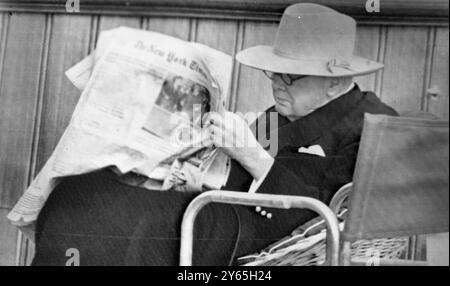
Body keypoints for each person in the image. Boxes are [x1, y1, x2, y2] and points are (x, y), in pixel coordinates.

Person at [32, 3, 397, 265]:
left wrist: (251, 154)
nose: (275, 84)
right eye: (272, 72)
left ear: (335, 83)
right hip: (220, 204)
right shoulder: (287, 110)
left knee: (108, 214)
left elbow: (326, 219)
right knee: (81, 187)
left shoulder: (372, 124)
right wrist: (198, 165)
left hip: (256, 232)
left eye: (289, 75)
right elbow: (235, 171)